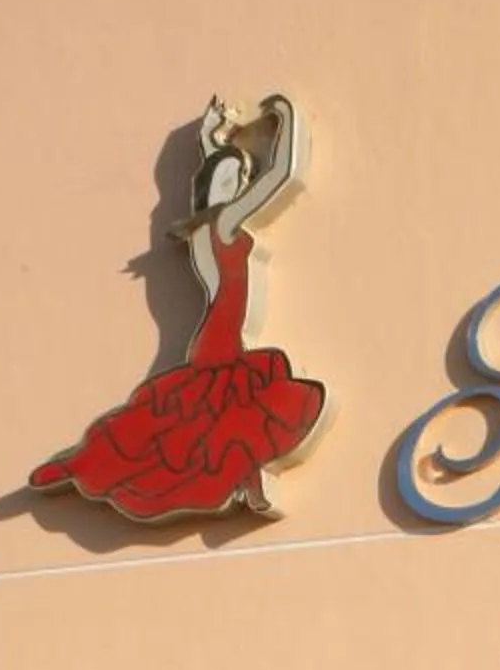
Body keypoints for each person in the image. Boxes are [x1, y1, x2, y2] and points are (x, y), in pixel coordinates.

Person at [30, 94, 327, 523]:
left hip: (218, 336)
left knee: (202, 429)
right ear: (216, 190)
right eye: (234, 179)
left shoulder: (205, 229)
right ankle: (85, 466)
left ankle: (247, 482)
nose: (240, 186)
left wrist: (211, 136)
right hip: (221, 339)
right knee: (215, 425)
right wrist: (282, 118)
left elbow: (212, 170)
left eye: (239, 178)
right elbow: (279, 175)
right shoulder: (224, 224)